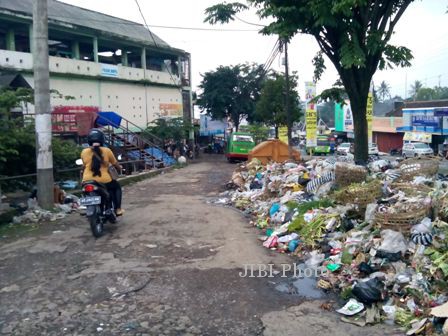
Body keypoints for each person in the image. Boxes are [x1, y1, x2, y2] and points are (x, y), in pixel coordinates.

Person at [81, 128, 124, 216]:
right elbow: (115, 163)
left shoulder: (84, 152)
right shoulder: (107, 150)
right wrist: (120, 168)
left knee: (85, 192)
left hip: (87, 180)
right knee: (116, 187)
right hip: (104, 181)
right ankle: (118, 209)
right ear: (102, 139)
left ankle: (87, 206)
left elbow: (84, 164)